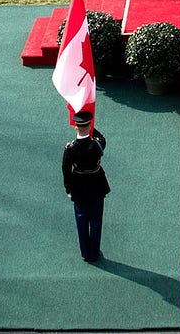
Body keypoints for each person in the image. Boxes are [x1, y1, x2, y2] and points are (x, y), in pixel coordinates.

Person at [62, 107, 108, 263]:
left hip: (79, 187)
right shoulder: (97, 145)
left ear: (75, 127)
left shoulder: (70, 148)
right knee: (96, 220)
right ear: (89, 126)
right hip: (96, 185)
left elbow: (66, 170)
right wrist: (92, 127)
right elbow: (102, 138)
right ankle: (94, 253)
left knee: (81, 220)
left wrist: (68, 189)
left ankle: (85, 252)